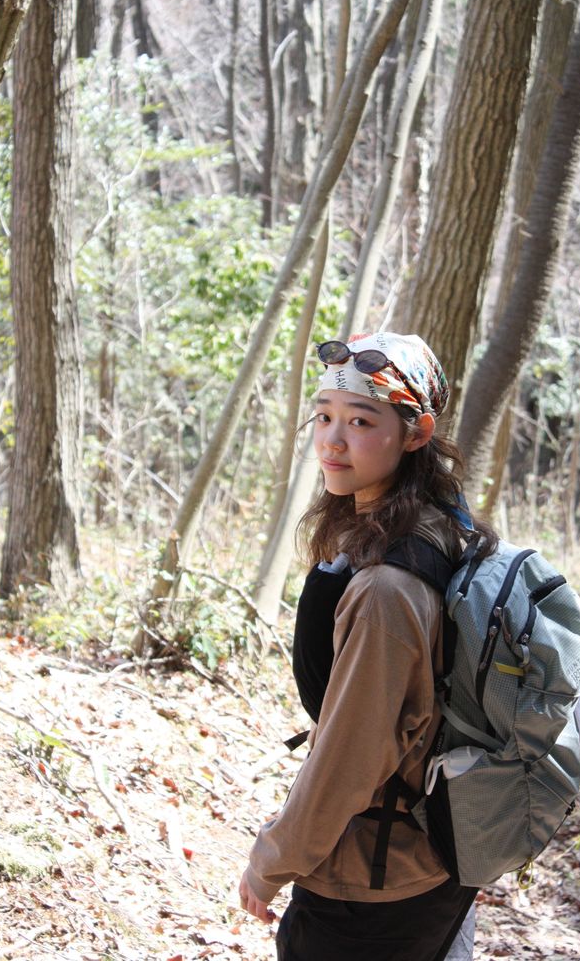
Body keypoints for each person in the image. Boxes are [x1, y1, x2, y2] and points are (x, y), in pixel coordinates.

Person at [239, 331, 497, 961]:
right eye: (324, 416)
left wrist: (272, 861)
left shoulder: (387, 587)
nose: (332, 440)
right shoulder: (440, 527)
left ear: (416, 433)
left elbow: (351, 758)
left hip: (374, 883)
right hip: (433, 859)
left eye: (360, 421)